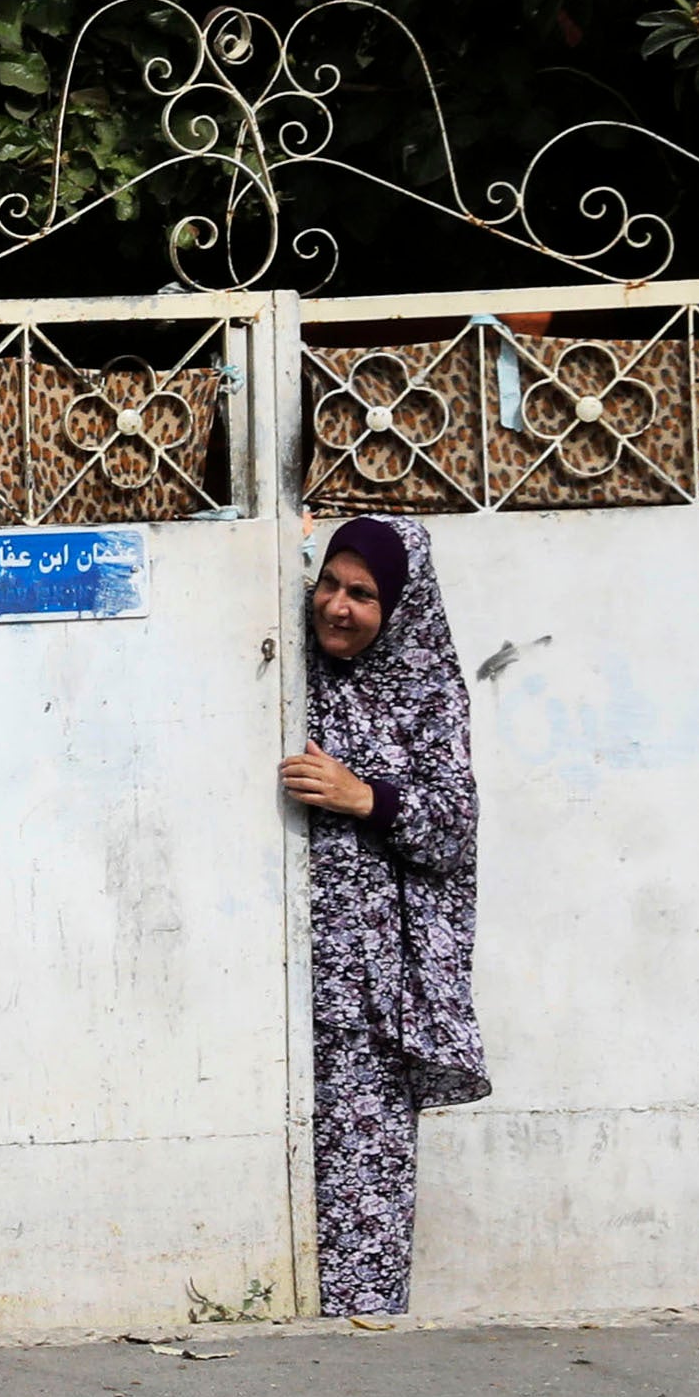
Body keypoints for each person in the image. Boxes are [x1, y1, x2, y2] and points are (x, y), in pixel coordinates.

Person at [276, 513, 486, 1327]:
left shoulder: (430, 692)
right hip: (283, 962)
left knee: (366, 1159)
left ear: (399, 604)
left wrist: (365, 796)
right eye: (329, 583)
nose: (336, 605)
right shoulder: (287, 666)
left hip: (371, 984)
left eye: (363, 594)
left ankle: (357, 1334)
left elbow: (453, 825)